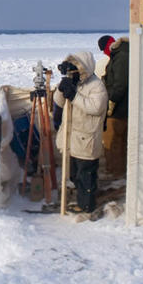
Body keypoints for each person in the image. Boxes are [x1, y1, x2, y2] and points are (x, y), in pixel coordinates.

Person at [53, 51, 108, 213]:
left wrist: (75, 95)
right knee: (75, 174)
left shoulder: (96, 86)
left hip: (86, 137)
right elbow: (60, 103)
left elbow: (96, 108)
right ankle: (81, 199)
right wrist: (61, 90)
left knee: (86, 176)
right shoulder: (75, 83)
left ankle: (86, 206)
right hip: (73, 137)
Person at [101, 36, 129, 178]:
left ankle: (115, 173)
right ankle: (119, 171)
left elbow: (120, 84)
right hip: (124, 107)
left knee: (113, 141)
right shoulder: (122, 54)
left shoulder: (121, 56)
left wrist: (111, 102)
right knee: (120, 142)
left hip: (119, 109)